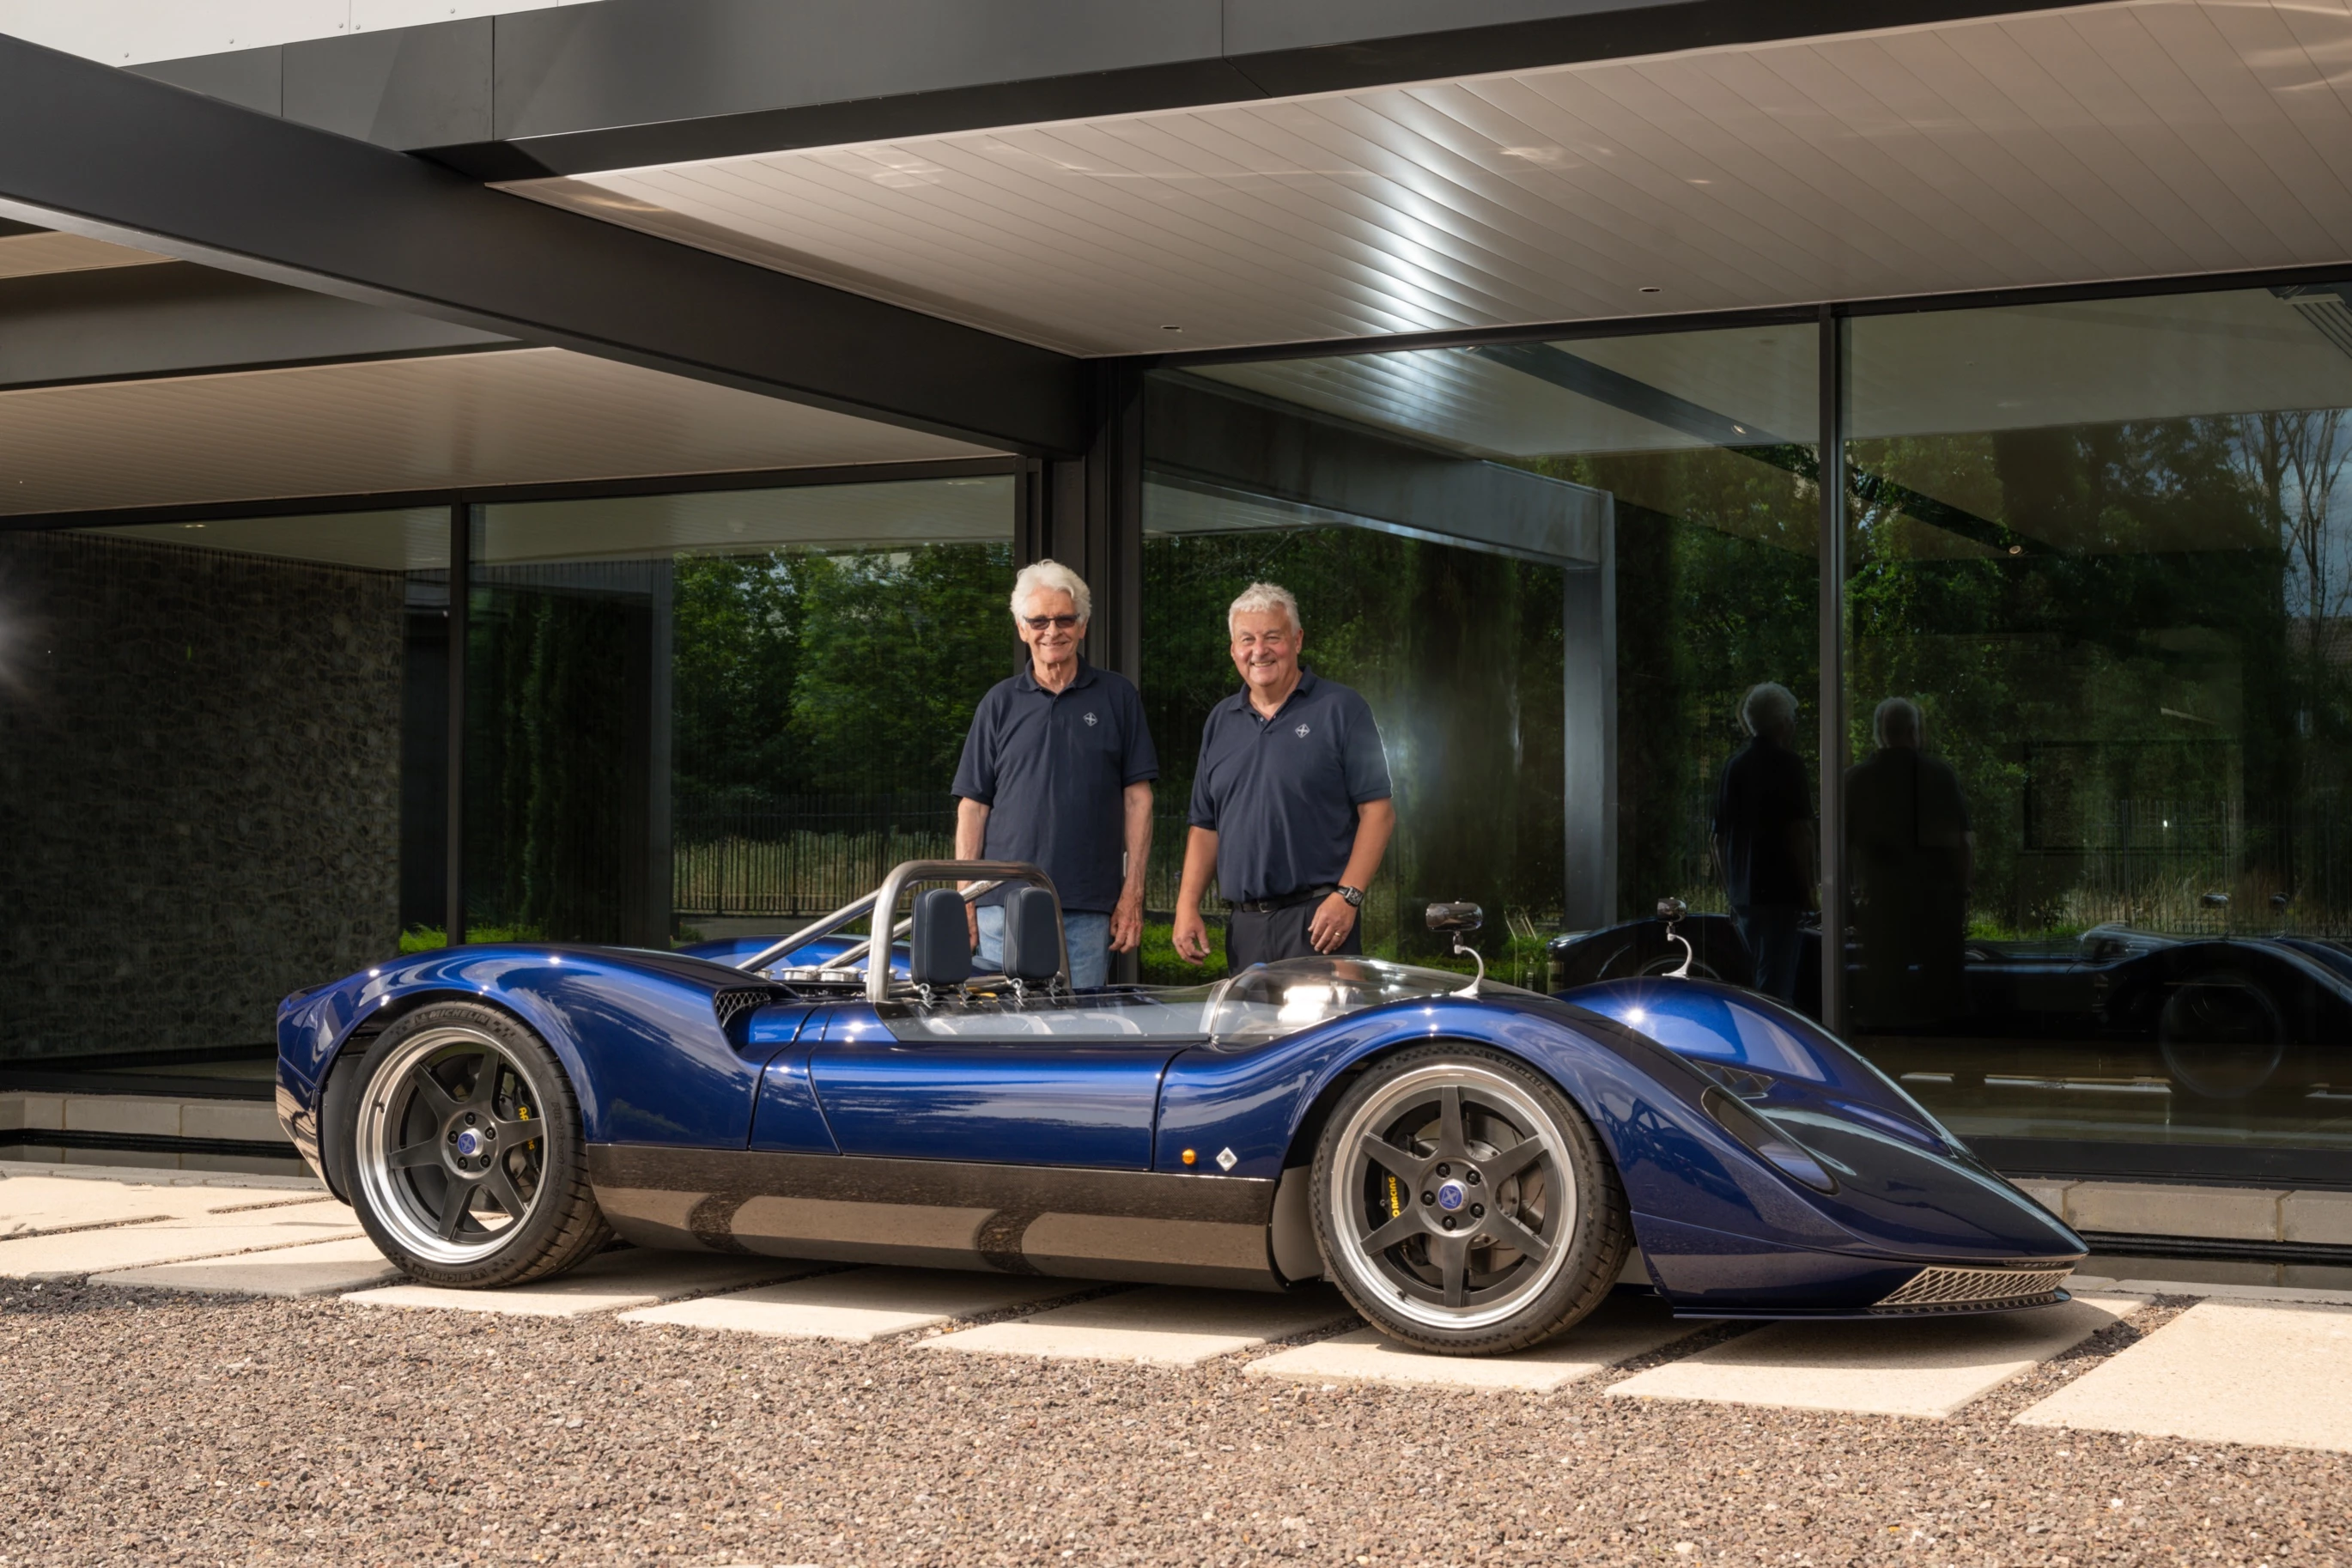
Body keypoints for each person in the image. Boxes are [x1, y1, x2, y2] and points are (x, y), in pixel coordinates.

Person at [951, 560, 1156, 989]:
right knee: (1002, 1032)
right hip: (1000, 903)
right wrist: (966, 897)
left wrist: (1132, 892)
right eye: (1039, 620)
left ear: (1083, 625)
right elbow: (974, 807)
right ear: (1022, 628)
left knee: (1077, 1034)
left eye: (1065, 618)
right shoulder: (999, 703)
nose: (1052, 630)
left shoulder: (1117, 696)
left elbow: (1138, 800)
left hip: (1086, 903)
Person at [1172, 582, 1395, 971]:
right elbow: (1206, 827)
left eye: (1272, 637)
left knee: (1322, 1033)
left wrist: (1349, 897)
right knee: (1251, 1033)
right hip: (1244, 929)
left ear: (1297, 640)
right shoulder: (1220, 721)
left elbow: (1378, 812)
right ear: (1233, 649)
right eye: (1247, 640)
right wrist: (1187, 906)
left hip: (1320, 922)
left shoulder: (1341, 709)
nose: (1259, 651)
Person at [1845, 696, 1974, 1028]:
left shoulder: (1856, 781)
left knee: (1884, 1000)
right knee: (1946, 1000)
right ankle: (1952, 1070)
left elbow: (1838, 849)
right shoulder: (1940, 776)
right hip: (1938, 904)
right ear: (1915, 731)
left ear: (1879, 733)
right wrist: (1962, 893)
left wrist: (1847, 903)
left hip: (1883, 906)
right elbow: (1962, 842)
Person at [1711, 681, 1816, 1004]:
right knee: (1775, 989)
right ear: (1783, 722)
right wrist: (1810, 890)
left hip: (1745, 898)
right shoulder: (1790, 766)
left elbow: (1718, 838)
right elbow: (1799, 834)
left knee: (1752, 982)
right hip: (1781, 896)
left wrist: (1732, 889)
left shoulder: (1734, 767)